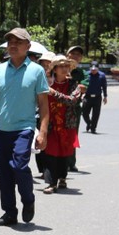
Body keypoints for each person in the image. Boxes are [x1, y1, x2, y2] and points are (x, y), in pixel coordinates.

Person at [0, 27, 50, 226]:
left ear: (27, 46)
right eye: (10, 42)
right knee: (3, 173)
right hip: (1, 129)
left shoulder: (36, 71)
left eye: (18, 42)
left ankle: (28, 199)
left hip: (25, 128)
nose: (13, 45)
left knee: (20, 166)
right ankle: (9, 213)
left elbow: (43, 104)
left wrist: (44, 133)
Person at [42, 58, 82, 193]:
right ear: (55, 69)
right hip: (50, 124)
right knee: (50, 153)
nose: (64, 69)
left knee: (64, 153)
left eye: (66, 66)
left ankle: (62, 177)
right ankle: (51, 183)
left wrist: (55, 93)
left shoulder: (73, 85)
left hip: (66, 124)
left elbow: (73, 100)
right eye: (61, 66)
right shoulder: (47, 83)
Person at [82, 62, 108, 133]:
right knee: (84, 113)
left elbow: (104, 86)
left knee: (96, 114)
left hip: (97, 97)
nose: (93, 71)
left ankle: (93, 128)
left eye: (95, 70)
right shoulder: (86, 74)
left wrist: (105, 96)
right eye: (92, 70)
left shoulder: (102, 75)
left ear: (98, 69)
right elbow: (82, 84)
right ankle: (89, 123)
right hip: (87, 96)